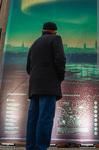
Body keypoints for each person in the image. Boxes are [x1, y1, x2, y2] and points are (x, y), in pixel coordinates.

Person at [26, 22, 66, 150]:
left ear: (43, 31)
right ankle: (41, 148)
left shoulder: (34, 44)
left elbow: (28, 67)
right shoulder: (56, 38)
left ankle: (31, 147)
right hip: (49, 85)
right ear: (54, 31)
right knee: (46, 118)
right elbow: (60, 58)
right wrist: (60, 76)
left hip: (34, 86)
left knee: (33, 119)